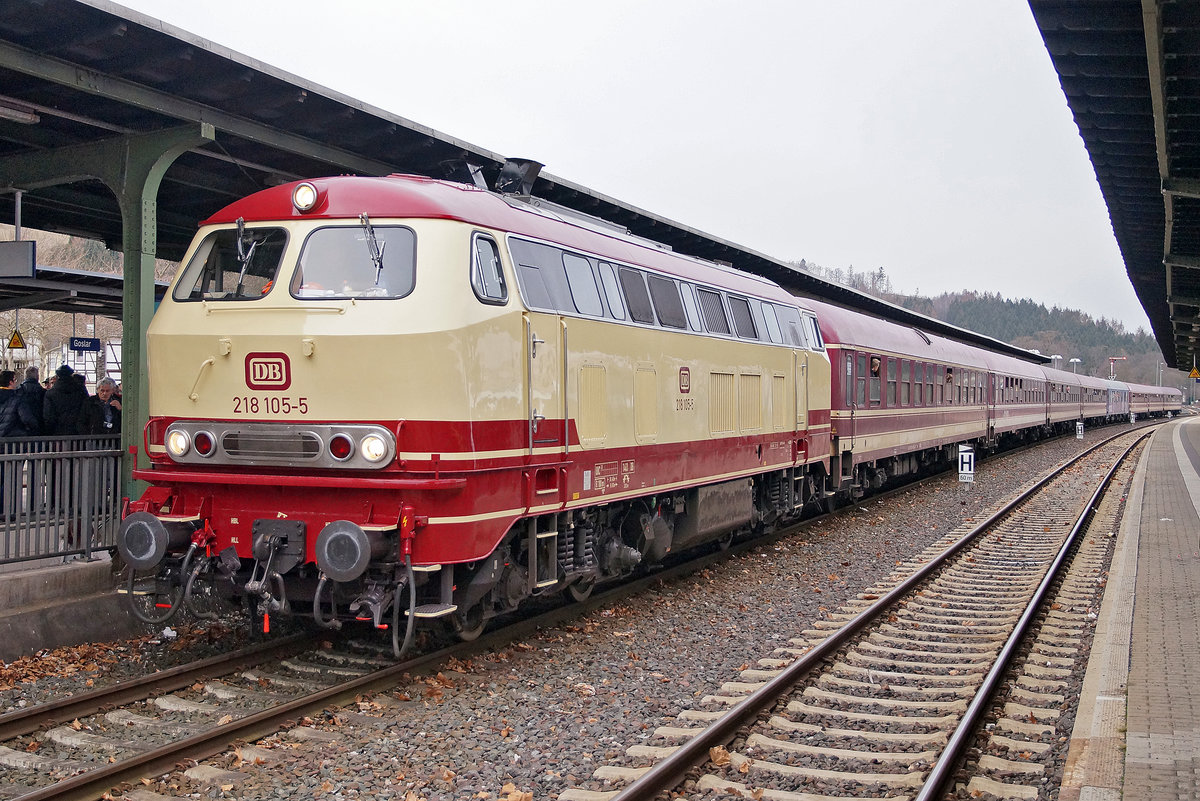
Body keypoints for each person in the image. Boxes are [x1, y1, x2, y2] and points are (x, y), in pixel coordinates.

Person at [43, 365, 89, 436]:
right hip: (77, 432)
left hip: (57, 432)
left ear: (58, 375)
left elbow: (48, 416)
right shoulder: (80, 390)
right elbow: (86, 409)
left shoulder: (50, 393)